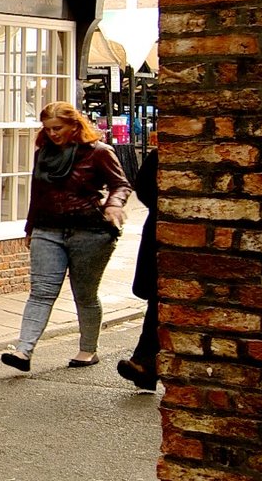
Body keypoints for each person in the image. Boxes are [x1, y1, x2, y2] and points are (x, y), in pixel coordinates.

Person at [0, 101, 132, 373]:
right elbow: (37, 193)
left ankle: (87, 350)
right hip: (48, 230)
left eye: (58, 128)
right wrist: (30, 228)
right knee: (41, 292)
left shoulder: (98, 152)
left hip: (90, 232)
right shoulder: (44, 154)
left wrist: (114, 205)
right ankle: (23, 351)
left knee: (84, 293)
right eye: (48, 129)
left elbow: (121, 184)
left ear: (75, 125)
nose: (53, 134)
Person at [117, 144, 162, 390]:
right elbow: (142, 186)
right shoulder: (161, 153)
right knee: (157, 302)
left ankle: (146, 365)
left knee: (159, 304)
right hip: (159, 233)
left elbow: (142, 188)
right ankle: (145, 365)